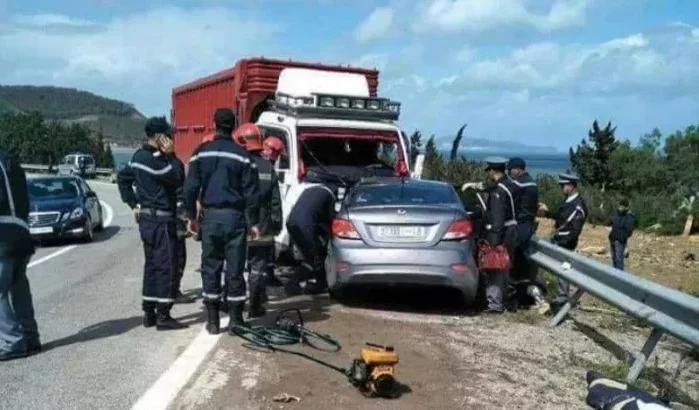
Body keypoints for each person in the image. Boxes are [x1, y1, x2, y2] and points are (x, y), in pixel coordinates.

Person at [183, 108, 260, 335]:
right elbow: (252, 193)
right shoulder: (243, 155)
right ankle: (236, 320)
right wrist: (253, 222)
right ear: (234, 126)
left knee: (211, 268)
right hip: (235, 219)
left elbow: (189, 189)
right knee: (235, 269)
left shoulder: (200, 153)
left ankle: (213, 321)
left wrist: (191, 216)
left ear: (214, 123)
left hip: (210, 218)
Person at [117, 116, 187, 331]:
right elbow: (177, 177)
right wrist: (172, 155)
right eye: (167, 135)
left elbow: (123, 178)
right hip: (161, 220)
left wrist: (133, 203)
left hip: (147, 220)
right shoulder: (156, 161)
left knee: (152, 266)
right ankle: (164, 315)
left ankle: (149, 312)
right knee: (166, 266)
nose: (170, 138)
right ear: (159, 137)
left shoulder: (138, 157)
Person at [0, 150, 41, 361]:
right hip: (21, 232)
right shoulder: (11, 161)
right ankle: (30, 336)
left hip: (2, 235)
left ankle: (11, 341)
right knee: (19, 285)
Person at [241, 126, 283, 317]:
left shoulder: (241, 163)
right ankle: (255, 305)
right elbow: (275, 202)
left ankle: (232, 303)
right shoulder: (268, 168)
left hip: (241, 223)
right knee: (258, 267)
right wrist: (277, 225)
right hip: (263, 225)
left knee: (234, 265)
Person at [540, 173, 588, 311]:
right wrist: (548, 213)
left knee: (564, 270)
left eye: (563, 185)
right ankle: (556, 293)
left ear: (571, 186)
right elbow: (561, 217)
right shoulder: (568, 201)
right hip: (558, 240)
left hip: (565, 244)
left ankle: (562, 297)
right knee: (557, 269)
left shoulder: (578, 205)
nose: (561, 188)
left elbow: (575, 229)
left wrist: (563, 240)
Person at [481, 157, 519, 314]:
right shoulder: (509, 185)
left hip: (501, 233)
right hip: (511, 231)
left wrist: (493, 243)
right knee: (504, 268)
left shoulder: (499, 191)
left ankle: (494, 304)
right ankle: (507, 301)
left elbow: (497, 218)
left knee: (495, 267)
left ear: (492, 171)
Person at [507, 157, 546, 309]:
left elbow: (507, 191)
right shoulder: (531, 182)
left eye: (511, 170)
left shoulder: (520, 183)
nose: (510, 173)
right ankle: (521, 296)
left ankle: (514, 298)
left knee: (513, 259)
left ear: (517, 169)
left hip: (521, 226)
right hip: (527, 225)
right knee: (521, 261)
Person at [284, 183, 336, 296]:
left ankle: (303, 283)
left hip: (291, 223)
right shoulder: (330, 195)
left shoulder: (309, 190)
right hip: (305, 226)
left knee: (310, 256)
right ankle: (309, 284)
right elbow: (330, 220)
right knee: (317, 255)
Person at [168, 132, 196, 305]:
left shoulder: (155, 162)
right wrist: (187, 217)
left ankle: (170, 289)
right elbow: (182, 191)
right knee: (177, 255)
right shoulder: (173, 164)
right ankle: (173, 290)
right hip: (174, 217)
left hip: (163, 217)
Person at [260, 136, 286, 288]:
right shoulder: (269, 169)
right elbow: (275, 200)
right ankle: (265, 281)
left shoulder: (251, 162)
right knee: (265, 250)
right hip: (265, 217)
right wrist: (277, 221)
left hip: (248, 217)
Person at [609, 198, 635, 270]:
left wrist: (622, 238)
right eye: (620, 206)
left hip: (620, 241)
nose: (620, 207)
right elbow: (612, 224)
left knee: (619, 259)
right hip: (612, 239)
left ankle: (619, 277)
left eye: (622, 206)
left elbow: (629, 231)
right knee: (613, 258)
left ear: (626, 207)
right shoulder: (617, 215)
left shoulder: (630, 217)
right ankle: (614, 275)